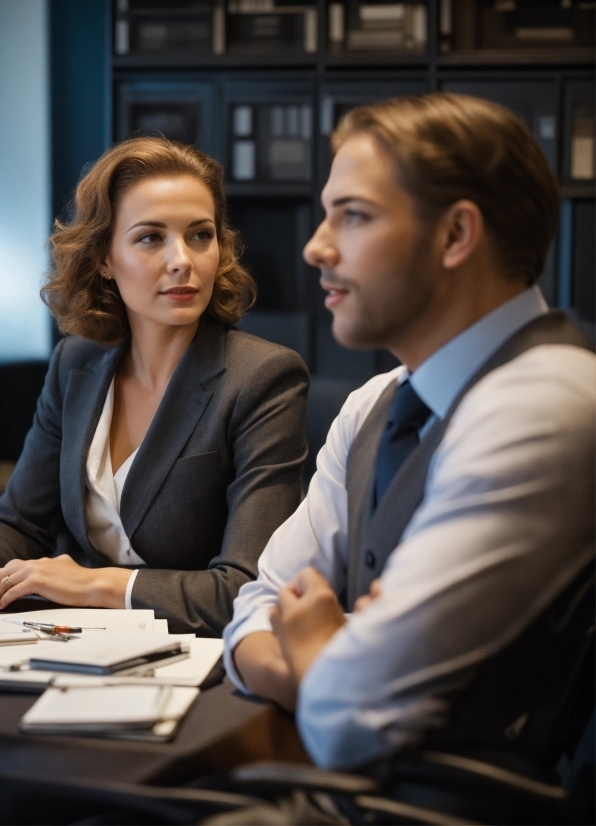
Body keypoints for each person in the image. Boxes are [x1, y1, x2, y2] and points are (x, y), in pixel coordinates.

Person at [223, 93, 595, 769]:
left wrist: (322, 661)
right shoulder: (375, 402)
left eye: (354, 216)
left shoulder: (546, 406)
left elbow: (345, 719)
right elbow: (253, 606)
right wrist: (329, 660)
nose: (314, 246)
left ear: (456, 235)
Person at [0, 137, 308, 635]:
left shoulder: (264, 377)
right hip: (68, 642)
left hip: (197, 654)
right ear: (103, 257)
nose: (182, 259)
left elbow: (247, 588)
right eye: (150, 238)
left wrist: (97, 585)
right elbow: (20, 526)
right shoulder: (75, 362)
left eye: (200, 235)